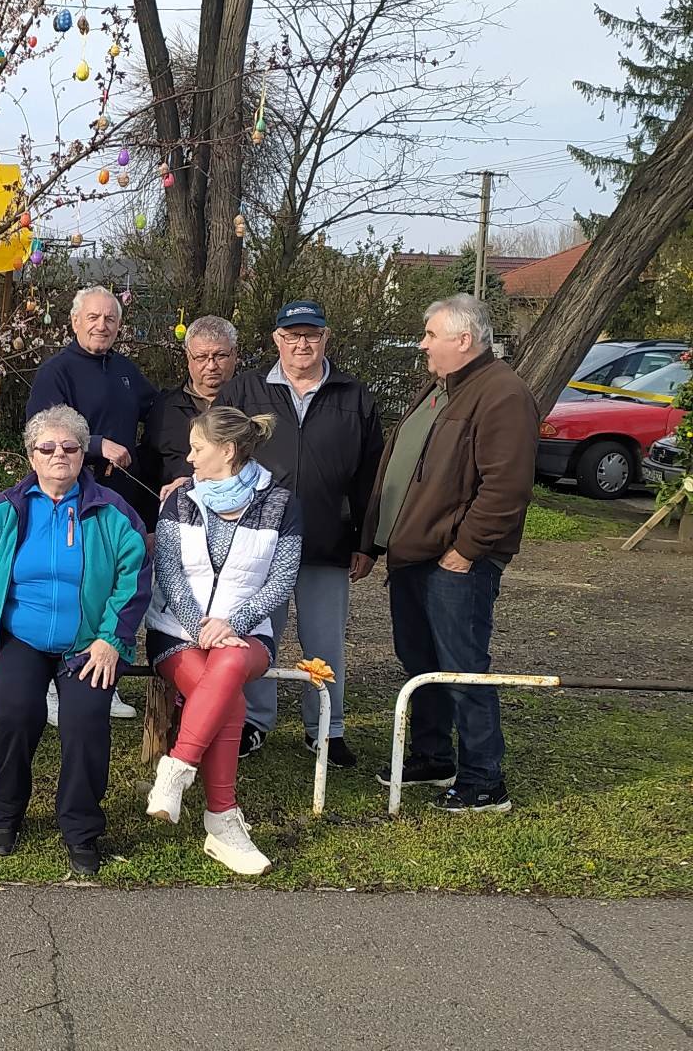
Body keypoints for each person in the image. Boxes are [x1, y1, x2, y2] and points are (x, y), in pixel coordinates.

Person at [0, 405, 152, 880]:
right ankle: (5, 813)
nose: (59, 454)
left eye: (70, 447)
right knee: (16, 712)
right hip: (20, 638)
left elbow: (134, 579)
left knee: (85, 720)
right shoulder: (2, 512)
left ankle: (80, 828)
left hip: (89, 643)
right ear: (32, 456)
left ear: (83, 455)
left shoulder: (113, 512)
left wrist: (111, 640)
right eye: (47, 447)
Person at [361, 294, 538, 813]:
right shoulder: (442, 389)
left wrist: (465, 551)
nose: (422, 344)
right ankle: (433, 756)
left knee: (462, 666)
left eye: (430, 335)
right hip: (415, 555)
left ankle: (484, 779)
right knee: (421, 661)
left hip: (455, 562)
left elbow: (505, 488)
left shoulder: (502, 394)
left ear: (464, 340)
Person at [221, 301, 383, 767]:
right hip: (257, 541)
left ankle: (326, 729)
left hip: (327, 540)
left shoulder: (354, 395)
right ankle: (254, 721)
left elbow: (372, 476)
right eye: (292, 335)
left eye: (311, 335)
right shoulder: (245, 390)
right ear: (277, 339)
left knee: (325, 641)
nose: (302, 344)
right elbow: (218, 455)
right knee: (255, 636)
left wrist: (367, 542)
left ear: (326, 337)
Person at [145, 405, 303, 877]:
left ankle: (177, 769)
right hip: (177, 633)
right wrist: (200, 627)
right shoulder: (179, 499)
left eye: (198, 449)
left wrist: (234, 622)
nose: (190, 459)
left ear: (228, 450)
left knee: (229, 667)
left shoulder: (281, 504)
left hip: (246, 636)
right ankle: (222, 819)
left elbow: (281, 580)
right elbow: (169, 573)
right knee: (228, 697)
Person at [26, 286, 157, 717]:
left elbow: (156, 412)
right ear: (75, 321)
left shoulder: (125, 371)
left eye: (110, 319)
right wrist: (98, 445)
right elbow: (39, 429)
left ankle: (104, 675)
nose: (102, 325)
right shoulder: (57, 371)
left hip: (118, 501)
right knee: (71, 581)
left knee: (110, 583)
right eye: (94, 318)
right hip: (69, 496)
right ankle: (52, 685)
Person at [140, 315, 241, 493]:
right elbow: (149, 467)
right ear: (188, 357)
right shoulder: (164, 408)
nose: (211, 366)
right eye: (201, 357)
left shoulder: (253, 401)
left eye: (220, 356)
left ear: (234, 354)